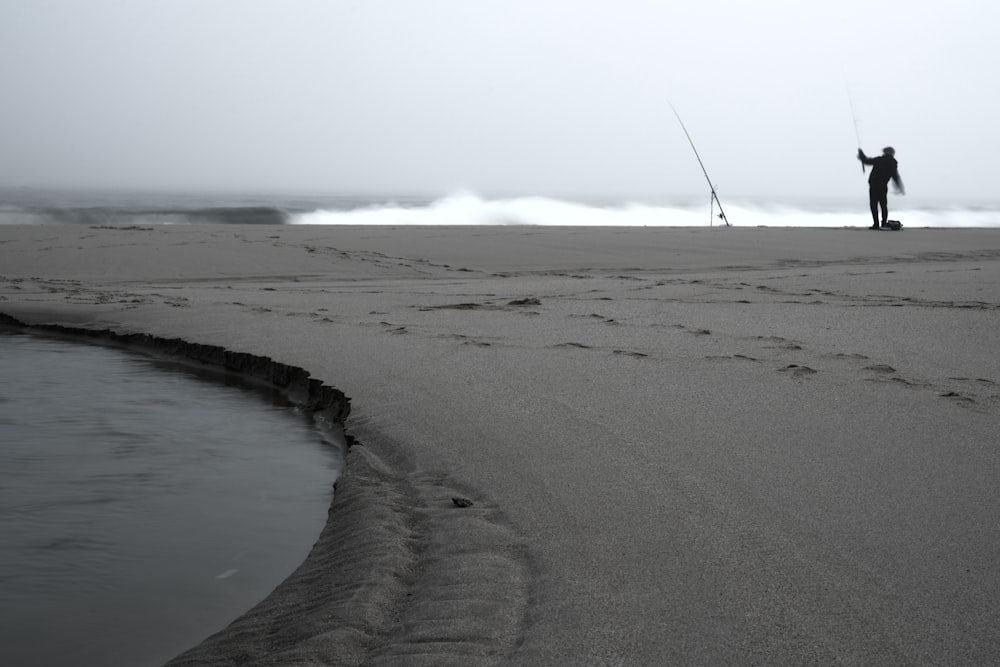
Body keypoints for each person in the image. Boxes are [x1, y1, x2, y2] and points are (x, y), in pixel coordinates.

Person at [857, 147, 905, 229]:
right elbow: (895, 176)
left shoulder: (879, 160)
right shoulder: (893, 163)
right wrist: (900, 187)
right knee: (883, 205)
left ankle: (876, 224)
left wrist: (861, 154)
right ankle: (883, 223)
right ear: (892, 153)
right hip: (883, 186)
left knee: (874, 205)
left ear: (885, 152)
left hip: (874, 185)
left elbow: (867, 161)